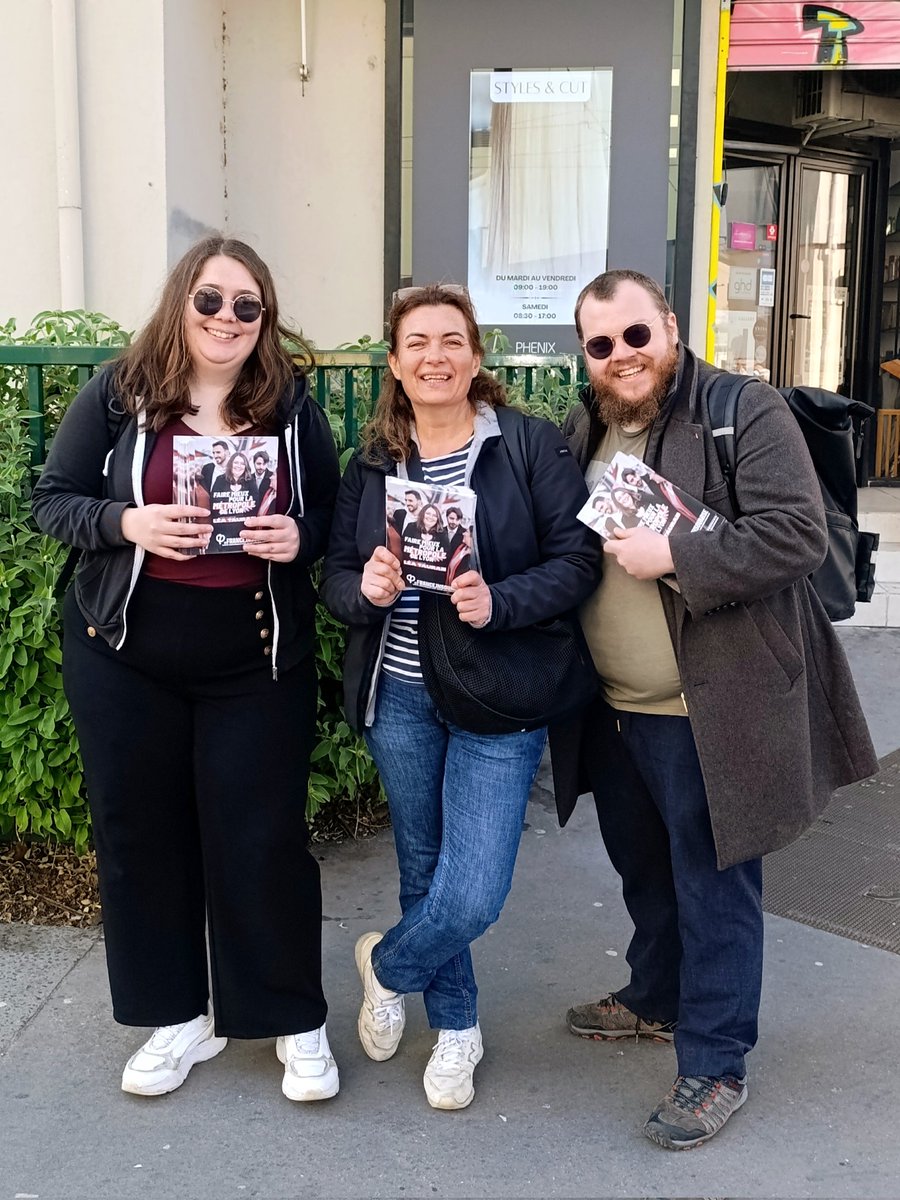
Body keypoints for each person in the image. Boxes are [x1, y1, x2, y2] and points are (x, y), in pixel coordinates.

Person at [552, 268, 877, 1149]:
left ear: (669, 327)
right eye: (600, 344)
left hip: (709, 705)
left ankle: (716, 1062)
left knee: (714, 882)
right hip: (617, 706)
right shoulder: (588, 424)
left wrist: (679, 553)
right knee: (644, 870)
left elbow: (795, 533)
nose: (622, 356)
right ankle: (656, 997)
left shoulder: (742, 407)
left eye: (635, 335)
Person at [31, 234, 342, 1103]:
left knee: (263, 838)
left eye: (248, 305)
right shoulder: (122, 392)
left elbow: (328, 518)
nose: (227, 318)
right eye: (211, 299)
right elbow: (52, 499)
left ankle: (290, 1015)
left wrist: (297, 539)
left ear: (265, 320)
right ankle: (179, 1017)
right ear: (182, 302)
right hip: (125, 654)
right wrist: (129, 523)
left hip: (253, 654)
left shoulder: (291, 406)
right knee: (141, 836)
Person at [321, 283, 599, 1111]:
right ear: (396, 365)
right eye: (417, 343)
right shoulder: (370, 466)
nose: (434, 356)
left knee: (473, 889)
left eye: (451, 340)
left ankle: (389, 965)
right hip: (400, 694)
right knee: (424, 868)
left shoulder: (526, 445)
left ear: (476, 357)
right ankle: (457, 1028)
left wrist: (499, 602)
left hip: (496, 693)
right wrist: (366, 589)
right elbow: (332, 581)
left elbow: (578, 560)